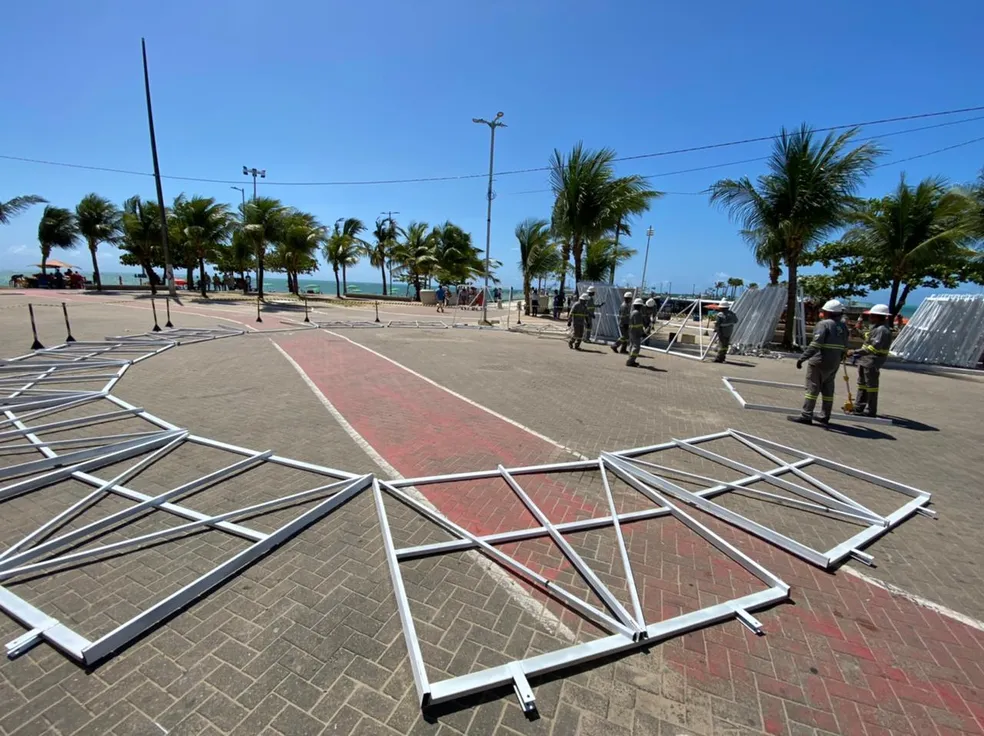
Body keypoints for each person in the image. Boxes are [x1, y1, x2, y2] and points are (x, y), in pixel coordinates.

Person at [789, 299, 849, 426]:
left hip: (820, 361)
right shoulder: (843, 326)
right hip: (834, 363)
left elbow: (815, 344)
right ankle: (825, 415)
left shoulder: (824, 324)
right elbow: (845, 346)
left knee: (813, 387)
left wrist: (802, 358)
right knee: (828, 389)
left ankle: (806, 415)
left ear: (827, 312)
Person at [853, 304, 892, 417]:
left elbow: (873, 347)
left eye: (871, 316)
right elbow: (868, 339)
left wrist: (854, 352)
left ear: (878, 316)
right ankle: (859, 406)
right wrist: (858, 332)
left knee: (871, 386)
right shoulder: (876, 328)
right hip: (865, 360)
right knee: (862, 384)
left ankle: (871, 410)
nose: (869, 318)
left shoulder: (882, 330)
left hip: (872, 361)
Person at [626, 298, 646, 367]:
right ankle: (631, 361)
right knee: (636, 347)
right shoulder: (637, 313)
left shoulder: (632, 312)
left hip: (631, 331)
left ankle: (631, 360)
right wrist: (642, 333)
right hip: (636, 332)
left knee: (631, 346)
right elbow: (638, 325)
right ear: (640, 306)